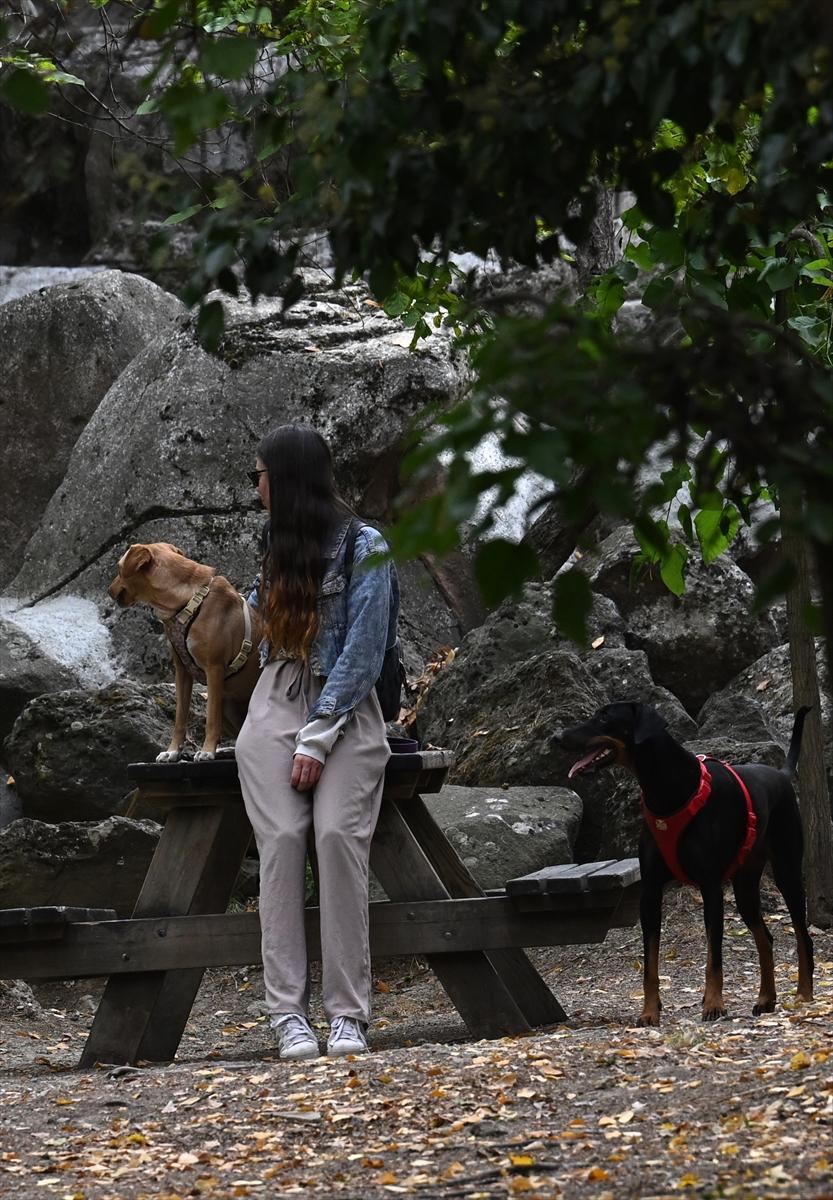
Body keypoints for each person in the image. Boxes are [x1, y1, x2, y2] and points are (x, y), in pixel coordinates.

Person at [235, 424, 398, 1061]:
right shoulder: (274, 544)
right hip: (277, 699)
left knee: (335, 836)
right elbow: (256, 627)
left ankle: (347, 1016)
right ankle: (286, 1016)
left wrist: (320, 734)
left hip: (347, 708)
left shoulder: (368, 546)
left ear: (288, 479)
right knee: (280, 839)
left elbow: (364, 647)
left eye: (260, 476)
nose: (255, 490)